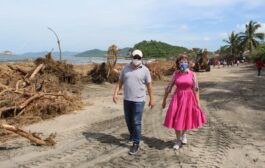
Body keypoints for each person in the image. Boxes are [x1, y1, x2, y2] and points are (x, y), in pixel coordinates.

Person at [113, 49, 155, 155]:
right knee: (128, 120)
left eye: (138, 58)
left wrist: (152, 99)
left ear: (141, 58)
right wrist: (115, 93)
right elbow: (120, 82)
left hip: (139, 100)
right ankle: (132, 135)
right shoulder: (125, 68)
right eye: (135, 57)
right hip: (127, 99)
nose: (136, 59)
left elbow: (149, 86)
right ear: (132, 57)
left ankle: (136, 144)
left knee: (136, 121)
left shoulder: (145, 70)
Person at [162, 54, 206, 150]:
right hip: (177, 98)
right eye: (181, 61)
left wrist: (198, 103)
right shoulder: (176, 74)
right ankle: (178, 140)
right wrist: (164, 100)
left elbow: (196, 89)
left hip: (189, 98)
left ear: (188, 63)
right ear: (178, 63)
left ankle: (184, 134)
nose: (183, 63)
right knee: (176, 118)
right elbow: (169, 87)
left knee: (185, 117)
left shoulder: (192, 74)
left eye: (185, 62)